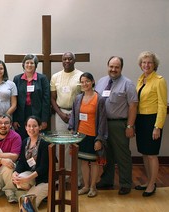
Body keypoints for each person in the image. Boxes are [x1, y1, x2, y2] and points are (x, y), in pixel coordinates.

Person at [95, 56, 138, 195]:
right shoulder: (101, 82)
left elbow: (133, 106)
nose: (113, 69)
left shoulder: (128, 84)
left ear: (121, 68)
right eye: (111, 66)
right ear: (107, 66)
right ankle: (107, 179)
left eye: (116, 67)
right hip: (103, 124)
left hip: (119, 124)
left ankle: (125, 183)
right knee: (106, 154)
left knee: (122, 154)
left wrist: (130, 126)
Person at [68, 72, 108, 197]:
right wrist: (72, 132)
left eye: (87, 81)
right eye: (82, 82)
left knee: (94, 162)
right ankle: (85, 186)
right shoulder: (78, 98)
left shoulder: (99, 99)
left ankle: (93, 187)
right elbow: (74, 116)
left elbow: (102, 120)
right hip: (81, 135)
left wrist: (99, 139)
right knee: (84, 162)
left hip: (93, 136)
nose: (84, 84)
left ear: (92, 82)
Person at [134, 51, 167, 197]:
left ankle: (152, 184)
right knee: (144, 153)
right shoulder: (141, 79)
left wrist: (157, 126)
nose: (146, 65)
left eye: (149, 62)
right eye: (144, 62)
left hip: (152, 120)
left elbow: (162, 105)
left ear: (155, 65)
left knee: (152, 154)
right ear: (140, 65)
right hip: (141, 120)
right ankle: (148, 181)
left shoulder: (159, 80)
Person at [50, 52, 83, 185]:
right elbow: (53, 98)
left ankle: (78, 178)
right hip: (60, 113)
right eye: (65, 59)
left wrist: (74, 114)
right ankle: (63, 175)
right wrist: (61, 114)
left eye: (70, 59)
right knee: (61, 145)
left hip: (78, 113)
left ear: (74, 61)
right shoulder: (56, 77)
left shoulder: (80, 75)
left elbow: (83, 95)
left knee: (75, 145)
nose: (67, 61)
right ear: (61, 61)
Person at [12, 116, 49, 208]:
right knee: (18, 178)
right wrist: (15, 172)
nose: (31, 129)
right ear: (25, 127)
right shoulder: (25, 141)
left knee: (28, 206)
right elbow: (21, 162)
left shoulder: (45, 142)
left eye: (34, 126)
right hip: (32, 176)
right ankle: (32, 192)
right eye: (29, 126)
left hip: (44, 180)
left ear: (40, 127)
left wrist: (28, 178)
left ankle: (40, 192)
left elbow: (44, 167)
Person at [13, 54, 50, 140]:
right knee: (22, 138)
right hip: (21, 114)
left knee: (37, 139)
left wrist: (44, 120)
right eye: (27, 63)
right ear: (23, 64)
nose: (29, 65)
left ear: (35, 65)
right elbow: (14, 100)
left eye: (32, 63)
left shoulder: (42, 79)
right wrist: (14, 119)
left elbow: (46, 100)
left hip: (38, 113)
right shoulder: (17, 79)